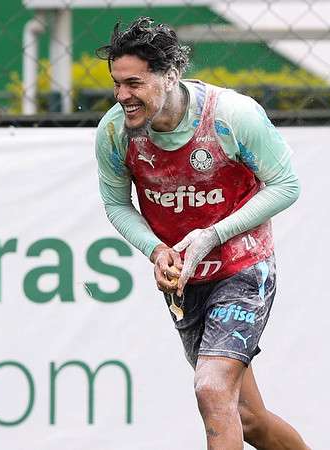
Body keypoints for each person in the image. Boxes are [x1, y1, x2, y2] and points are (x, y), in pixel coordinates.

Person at [94, 17, 310, 449]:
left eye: (133, 83)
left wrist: (211, 235)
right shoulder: (115, 132)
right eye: (117, 84)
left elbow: (287, 185)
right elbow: (117, 205)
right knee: (245, 418)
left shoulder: (231, 116)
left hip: (243, 267)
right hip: (186, 281)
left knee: (211, 387)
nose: (122, 97)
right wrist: (156, 250)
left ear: (170, 75)